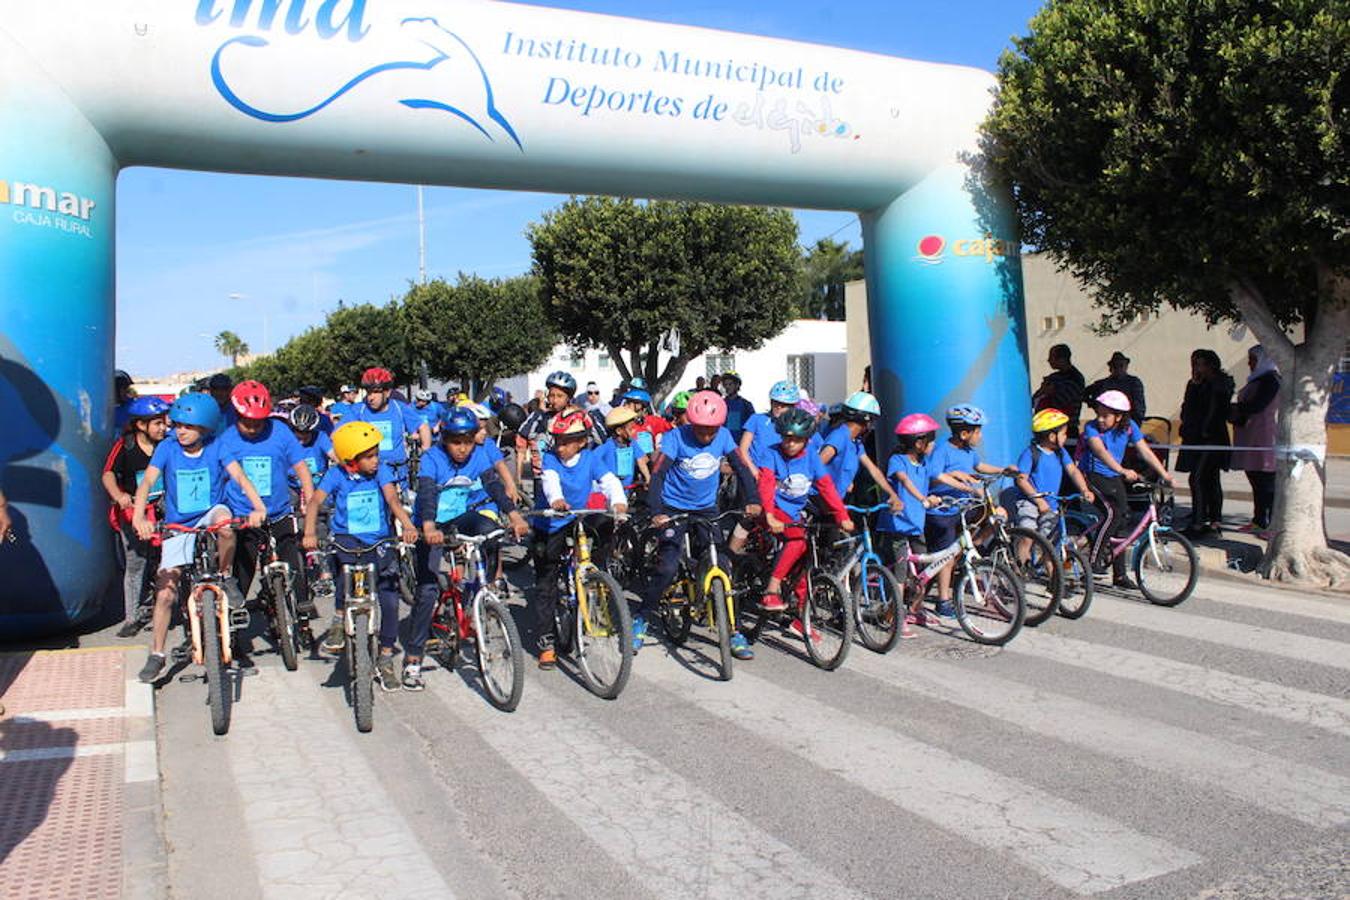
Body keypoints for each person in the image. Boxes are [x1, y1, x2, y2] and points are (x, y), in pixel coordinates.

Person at [132, 394, 267, 684]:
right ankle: (157, 654)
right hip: (178, 525)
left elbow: (240, 478)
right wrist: (139, 517)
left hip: (210, 514)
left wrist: (258, 507)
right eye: (177, 424)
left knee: (225, 525)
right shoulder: (167, 448)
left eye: (187, 426)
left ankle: (225, 574)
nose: (179, 430)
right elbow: (146, 482)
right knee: (166, 592)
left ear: (204, 428)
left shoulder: (216, 447)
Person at [411, 407, 530, 690]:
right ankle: (413, 659)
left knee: (490, 533)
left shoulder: (476, 456)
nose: (462, 448)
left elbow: (493, 486)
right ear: (445, 440)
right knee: (427, 591)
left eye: (466, 441)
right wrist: (428, 527)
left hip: (461, 518)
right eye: (455, 442)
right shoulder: (432, 459)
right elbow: (427, 493)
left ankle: (479, 595)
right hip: (433, 524)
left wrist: (513, 515)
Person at [302, 421, 418, 692]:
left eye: (376, 453)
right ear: (351, 460)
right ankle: (339, 618)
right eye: (369, 456)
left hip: (379, 540)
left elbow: (392, 501)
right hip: (347, 539)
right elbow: (316, 502)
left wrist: (408, 526)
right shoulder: (336, 475)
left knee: (389, 601)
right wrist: (309, 532)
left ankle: (386, 656)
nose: (376, 460)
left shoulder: (382, 472)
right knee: (344, 577)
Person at [640, 392, 757, 659]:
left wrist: (753, 499)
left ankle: (735, 630)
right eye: (701, 430)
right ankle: (642, 616)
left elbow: (740, 467)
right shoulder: (675, 438)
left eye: (711, 431)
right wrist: (656, 511)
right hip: (673, 508)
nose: (706, 436)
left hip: (706, 508)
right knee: (668, 566)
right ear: (691, 423)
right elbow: (657, 474)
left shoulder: (725, 436)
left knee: (723, 566)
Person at [529, 408, 628, 670]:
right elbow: (550, 481)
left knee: (604, 527)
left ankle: (594, 579)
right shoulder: (550, 459)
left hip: (577, 518)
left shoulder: (591, 458)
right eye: (558, 441)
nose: (560, 447)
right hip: (549, 522)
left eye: (566, 442)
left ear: (582, 442)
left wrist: (617, 502)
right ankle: (546, 642)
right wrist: (556, 500)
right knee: (546, 583)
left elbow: (609, 481)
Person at [217, 381, 317, 618]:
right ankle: (232, 626)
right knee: (243, 570)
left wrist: (310, 500)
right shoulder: (227, 440)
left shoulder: (281, 432)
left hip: (279, 511)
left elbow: (301, 468)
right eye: (247, 422)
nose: (252, 428)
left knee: (293, 561)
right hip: (244, 515)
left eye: (258, 422)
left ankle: (301, 613)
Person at [755, 407, 855, 643]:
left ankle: (801, 617)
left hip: (796, 514)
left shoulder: (811, 456)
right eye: (787, 438)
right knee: (798, 540)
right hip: (772, 510)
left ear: (807, 440)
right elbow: (766, 485)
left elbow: (826, 486)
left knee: (810, 560)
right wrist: (769, 515)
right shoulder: (771, 453)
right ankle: (771, 589)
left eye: (797, 440)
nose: (791, 444)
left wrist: (841, 515)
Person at [924, 405, 1014, 616]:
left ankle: (975, 546)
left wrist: (1003, 470)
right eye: (978, 431)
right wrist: (958, 479)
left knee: (998, 514)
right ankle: (943, 600)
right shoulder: (942, 450)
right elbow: (934, 475)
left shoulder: (968, 451)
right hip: (944, 512)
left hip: (966, 507)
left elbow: (980, 466)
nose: (980, 436)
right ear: (964, 433)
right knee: (946, 558)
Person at [1081, 390, 1174, 587]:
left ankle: (1120, 575)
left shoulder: (1129, 427)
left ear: (1119, 416)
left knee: (1123, 519)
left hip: (1114, 477)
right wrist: (1122, 470)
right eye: (1099, 413)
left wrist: (1165, 474)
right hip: (1093, 476)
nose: (1100, 419)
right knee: (1112, 514)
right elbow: (1101, 452)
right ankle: (1093, 562)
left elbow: (1146, 451)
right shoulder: (1092, 428)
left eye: (1105, 415)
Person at [102, 395, 170, 637]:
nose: (164, 427)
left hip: (164, 509)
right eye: (158, 423)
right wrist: (119, 496)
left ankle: (176, 608)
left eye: (164, 422)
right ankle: (133, 616)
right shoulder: (126, 446)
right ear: (141, 425)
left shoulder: (168, 444)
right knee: (136, 563)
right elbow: (108, 474)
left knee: (170, 561)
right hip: (135, 511)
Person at [876, 413, 943, 637]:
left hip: (916, 526)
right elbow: (905, 480)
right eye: (931, 440)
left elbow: (941, 477)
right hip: (898, 526)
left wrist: (969, 486)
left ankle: (915, 608)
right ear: (919, 443)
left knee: (925, 571)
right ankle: (895, 617)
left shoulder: (925, 463)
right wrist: (923, 499)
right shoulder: (898, 460)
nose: (934, 445)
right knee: (901, 574)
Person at [1006, 409, 1095, 540]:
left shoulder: (1061, 452)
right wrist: (1039, 501)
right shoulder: (1031, 453)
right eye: (1064, 434)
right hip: (1030, 503)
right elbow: (1021, 480)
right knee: (1027, 537)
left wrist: (1084, 489)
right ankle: (1021, 561)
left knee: (1050, 542)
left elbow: (1073, 470)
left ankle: (1047, 561)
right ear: (1052, 437)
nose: (1066, 437)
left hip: (1052, 505)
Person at [1176, 349, 1234, 536]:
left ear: (1211, 365)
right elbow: (1187, 408)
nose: (1195, 368)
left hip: (1212, 438)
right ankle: (1203, 517)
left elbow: (1214, 410)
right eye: (1193, 363)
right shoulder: (1195, 384)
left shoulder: (1219, 385)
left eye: (1199, 364)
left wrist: (1205, 429)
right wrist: (1194, 385)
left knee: (1201, 478)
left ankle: (1204, 522)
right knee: (1203, 478)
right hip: (1195, 438)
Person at [817, 392, 903, 510]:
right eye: (871, 420)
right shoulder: (840, 436)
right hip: (820, 501)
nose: (871, 424)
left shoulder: (856, 443)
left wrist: (893, 495)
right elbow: (817, 463)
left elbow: (873, 470)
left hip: (835, 503)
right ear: (866, 419)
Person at [349, 367, 432, 488]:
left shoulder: (400, 408)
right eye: (368, 392)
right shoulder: (358, 410)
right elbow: (338, 434)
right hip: (369, 475)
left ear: (387, 392)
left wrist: (425, 452)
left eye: (376, 391)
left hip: (397, 473)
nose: (370, 397)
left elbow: (423, 427)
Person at [1229, 345, 1281, 532]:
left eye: (1253, 359)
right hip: (1251, 435)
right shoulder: (1258, 379)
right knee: (1255, 478)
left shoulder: (1271, 380)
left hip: (1264, 437)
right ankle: (1259, 521)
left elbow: (1257, 405)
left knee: (1266, 482)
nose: (1249, 363)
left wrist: (1235, 408)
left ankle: (1271, 524)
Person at [517, 371, 606, 480]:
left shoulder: (581, 417)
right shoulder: (540, 417)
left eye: (560, 396)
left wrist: (584, 416)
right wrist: (539, 412)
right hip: (543, 477)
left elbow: (602, 440)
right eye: (551, 395)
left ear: (568, 398)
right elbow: (523, 437)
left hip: (573, 477)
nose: (555, 400)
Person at [737, 381, 808, 474]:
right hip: (754, 474)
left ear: (793, 407)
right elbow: (743, 450)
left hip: (781, 478)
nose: (778, 407)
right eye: (775, 403)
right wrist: (754, 472)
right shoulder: (756, 419)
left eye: (783, 405)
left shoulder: (796, 426)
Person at [1032, 344, 1086, 440]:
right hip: (1047, 428)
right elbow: (1034, 400)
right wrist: (1043, 391)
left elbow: (1060, 402)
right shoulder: (1053, 377)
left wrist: (1050, 392)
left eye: (1051, 357)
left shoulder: (1075, 378)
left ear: (1062, 359)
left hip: (1067, 428)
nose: (1048, 360)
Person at [597, 406, 651, 493]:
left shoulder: (632, 443)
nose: (634, 431)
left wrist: (648, 478)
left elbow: (641, 460)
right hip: (611, 492)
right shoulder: (608, 446)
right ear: (619, 431)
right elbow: (592, 461)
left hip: (627, 491)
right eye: (631, 429)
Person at [1085, 351, 1146, 423]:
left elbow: (1139, 405)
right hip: (1107, 422)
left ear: (1126, 366)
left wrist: (1136, 421)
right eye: (1115, 366)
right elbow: (1083, 393)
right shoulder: (1101, 384)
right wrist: (1095, 405)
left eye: (1121, 365)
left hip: (1128, 422)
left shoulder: (1134, 382)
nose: (1118, 369)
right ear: (1110, 368)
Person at [620, 387, 671, 457]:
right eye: (625, 403)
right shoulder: (621, 423)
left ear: (639, 405)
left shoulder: (652, 421)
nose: (625, 406)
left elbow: (672, 428)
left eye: (628, 403)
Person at [719, 371, 755, 440]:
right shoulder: (720, 403)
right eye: (725, 384)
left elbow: (753, 427)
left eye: (730, 384)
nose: (727, 387)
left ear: (737, 385)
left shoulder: (746, 405)